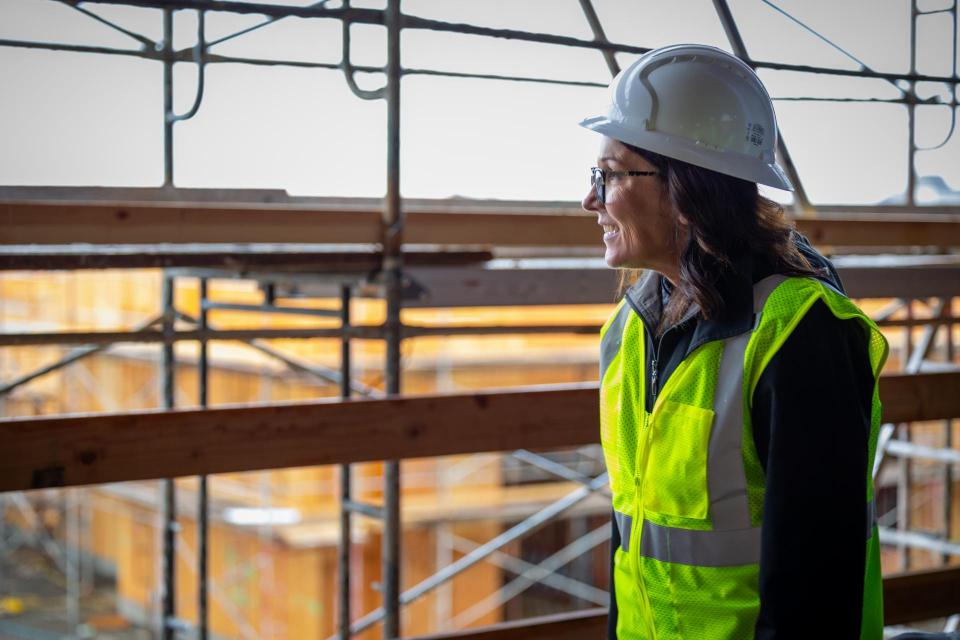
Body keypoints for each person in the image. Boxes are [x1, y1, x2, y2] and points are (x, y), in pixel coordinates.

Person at [579, 44, 889, 639]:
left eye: (611, 174)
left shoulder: (800, 334)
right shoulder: (628, 329)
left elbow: (814, 592)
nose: (590, 199)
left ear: (688, 192)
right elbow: (634, 536)